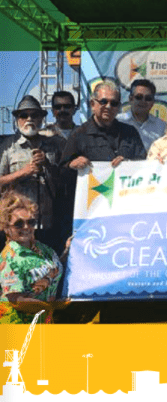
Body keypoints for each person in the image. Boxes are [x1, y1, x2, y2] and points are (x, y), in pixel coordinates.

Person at [0, 95, 63, 250]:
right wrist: (22, 173)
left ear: (41, 118)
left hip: (47, 224)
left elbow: (64, 183)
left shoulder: (55, 145)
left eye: (34, 115)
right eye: (24, 115)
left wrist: (47, 165)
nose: (29, 119)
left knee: (48, 270)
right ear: (17, 119)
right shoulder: (7, 147)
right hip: (17, 226)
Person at [0, 192, 68, 324]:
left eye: (30, 222)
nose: (26, 227)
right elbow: (16, 300)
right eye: (19, 224)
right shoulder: (10, 258)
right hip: (17, 326)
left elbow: (54, 268)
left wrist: (69, 250)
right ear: (7, 228)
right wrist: (53, 306)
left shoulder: (42, 248)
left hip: (42, 322)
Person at [61, 80, 146, 170]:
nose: (108, 106)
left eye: (114, 103)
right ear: (92, 104)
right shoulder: (79, 134)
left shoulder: (130, 133)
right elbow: (61, 171)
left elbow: (144, 165)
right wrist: (71, 165)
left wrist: (128, 163)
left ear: (118, 107)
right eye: (104, 102)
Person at [117, 78, 166, 152]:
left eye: (148, 98)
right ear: (130, 99)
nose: (143, 101)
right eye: (139, 97)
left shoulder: (162, 126)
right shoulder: (118, 121)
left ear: (153, 102)